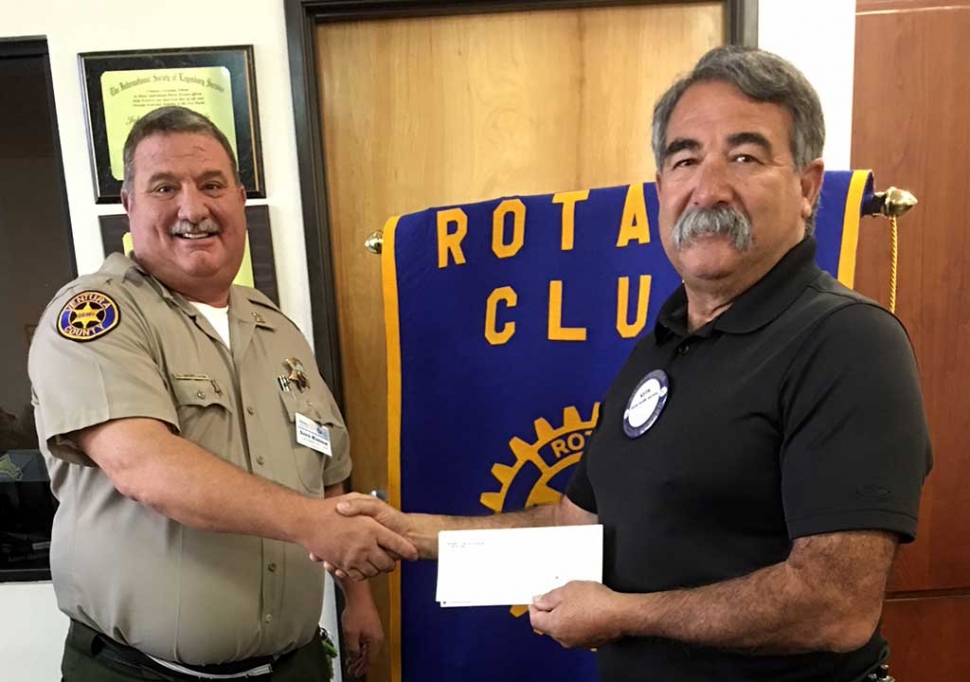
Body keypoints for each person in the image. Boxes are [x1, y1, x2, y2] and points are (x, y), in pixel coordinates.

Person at [330, 46, 933, 681]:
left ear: (807, 188)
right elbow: (574, 527)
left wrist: (623, 614)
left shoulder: (848, 341)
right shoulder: (664, 344)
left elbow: (835, 607)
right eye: (685, 159)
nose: (709, 186)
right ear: (660, 190)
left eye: (745, 156)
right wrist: (407, 533)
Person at [29, 106, 417, 682]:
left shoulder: (276, 328)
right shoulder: (95, 315)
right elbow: (146, 468)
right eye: (165, 187)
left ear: (238, 197)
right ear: (129, 207)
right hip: (142, 673)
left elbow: (328, 470)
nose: (194, 208)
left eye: (212, 185)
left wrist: (355, 599)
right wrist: (312, 523)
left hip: (293, 664)